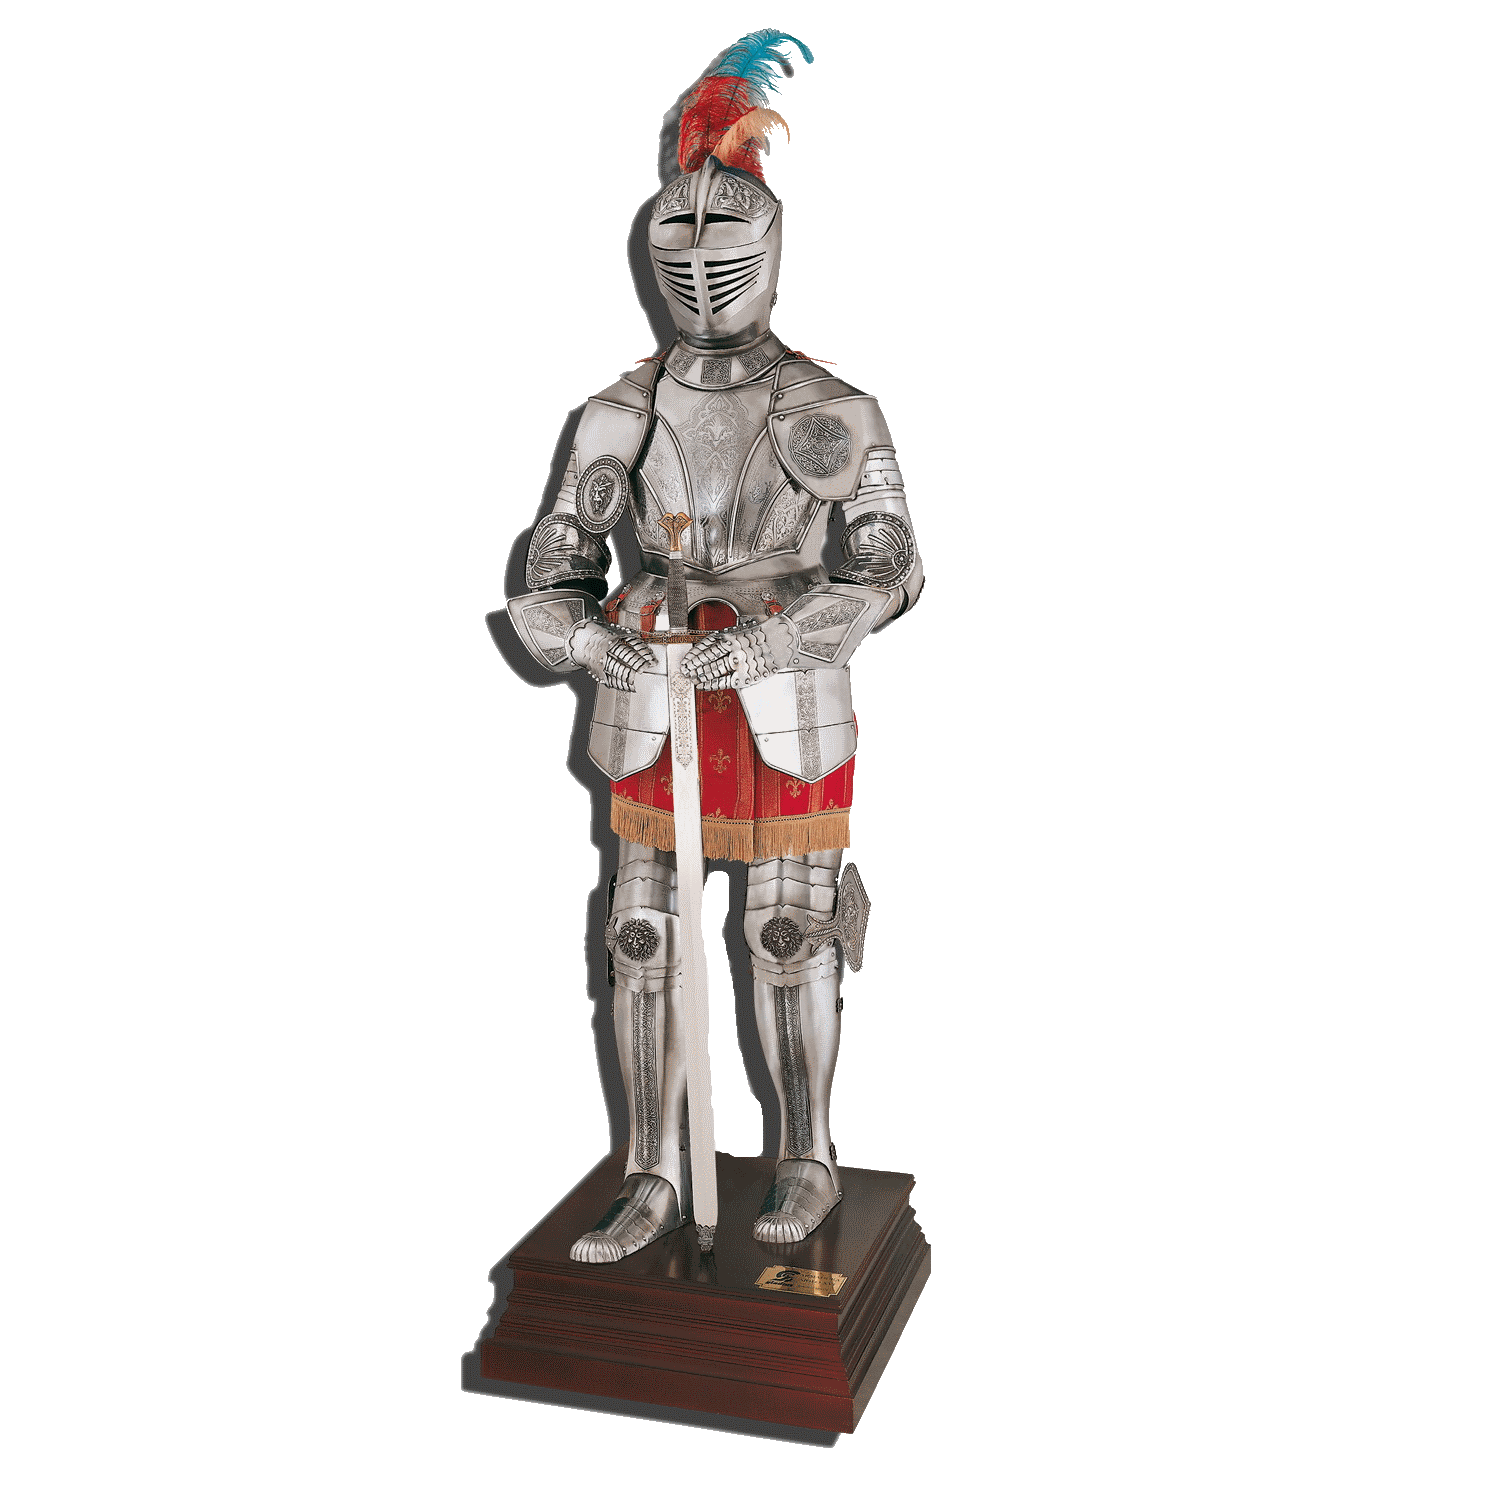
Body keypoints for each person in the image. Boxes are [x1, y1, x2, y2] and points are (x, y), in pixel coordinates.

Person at [498, 31, 921, 1261]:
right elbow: (553, 566)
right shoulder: (618, 414)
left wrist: (786, 636)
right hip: (655, 684)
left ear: (770, 244)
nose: (698, 263)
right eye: (675, 242)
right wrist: (592, 642)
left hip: (783, 686)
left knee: (788, 936)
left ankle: (806, 1156)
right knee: (640, 935)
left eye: (720, 239)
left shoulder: (827, 410)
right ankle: (649, 1170)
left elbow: (889, 566)